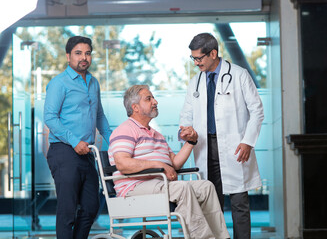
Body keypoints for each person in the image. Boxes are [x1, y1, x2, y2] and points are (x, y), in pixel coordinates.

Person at [108, 85, 230, 239]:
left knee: (206, 187)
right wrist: (158, 165)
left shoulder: (156, 134)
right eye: (149, 99)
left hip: (160, 184)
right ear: (135, 107)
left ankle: (222, 237)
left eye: (153, 98)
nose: (155, 101)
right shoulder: (125, 130)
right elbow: (123, 164)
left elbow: (175, 164)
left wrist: (191, 142)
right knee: (182, 188)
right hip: (134, 187)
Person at [179, 33, 264, 239]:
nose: (196, 63)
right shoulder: (195, 82)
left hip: (236, 147)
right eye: (193, 58)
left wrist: (247, 142)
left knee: (239, 202)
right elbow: (186, 115)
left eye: (199, 58)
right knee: (210, 202)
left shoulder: (239, 74)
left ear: (213, 53)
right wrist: (185, 129)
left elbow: (257, 111)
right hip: (205, 148)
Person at [44, 36, 112, 239]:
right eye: (78, 53)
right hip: (64, 151)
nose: (84, 57)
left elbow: (99, 116)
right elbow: (50, 117)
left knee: (91, 206)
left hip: (87, 153)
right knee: (68, 209)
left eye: (88, 53)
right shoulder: (59, 83)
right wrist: (74, 141)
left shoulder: (93, 82)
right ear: (68, 56)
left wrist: (115, 144)